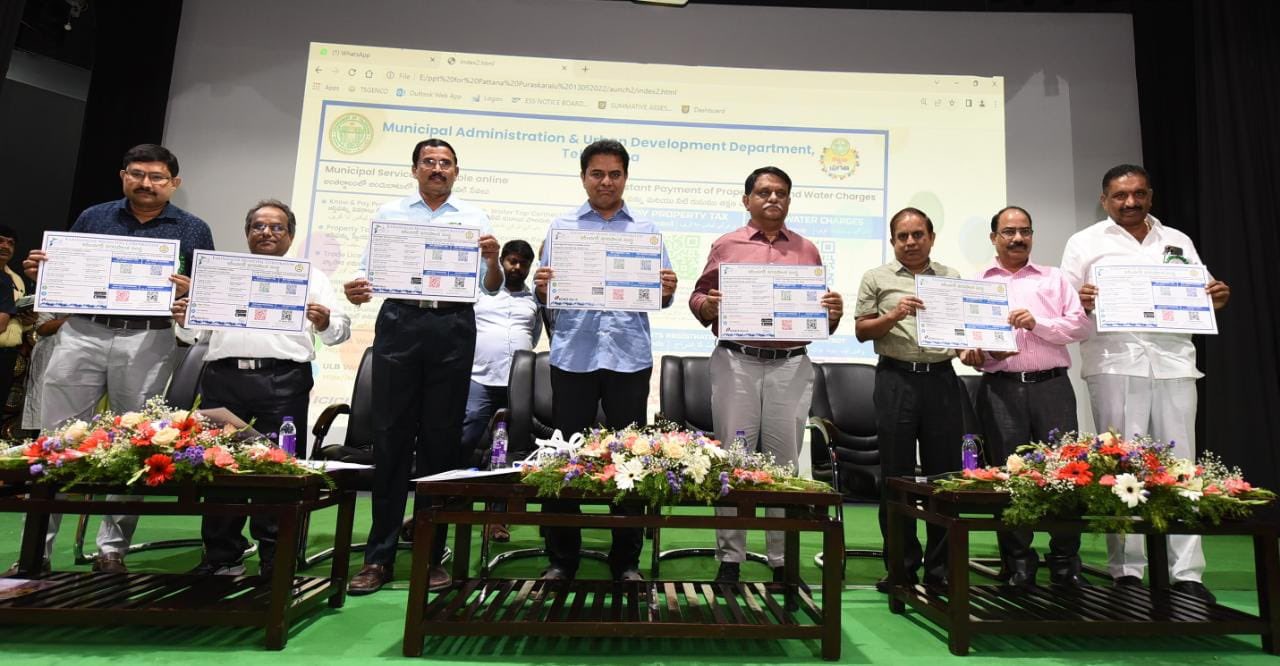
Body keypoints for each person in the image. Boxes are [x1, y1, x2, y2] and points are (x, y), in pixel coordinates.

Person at [23, 143, 214, 574]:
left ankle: (112, 549)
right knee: (58, 440)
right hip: (83, 332)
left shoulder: (193, 229)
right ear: (123, 176)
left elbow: (207, 293)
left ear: (174, 183)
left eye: (157, 177)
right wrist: (44, 274)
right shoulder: (94, 217)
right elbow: (66, 272)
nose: (146, 183)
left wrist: (192, 291)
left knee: (139, 441)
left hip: (149, 338)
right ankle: (37, 550)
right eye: (137, 174)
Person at [1061, 164, 1230, 603]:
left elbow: (1201, 291)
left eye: (1138, 193)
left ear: (1150, 196)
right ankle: (1127, 571)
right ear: (1104, 200)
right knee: (1121, 468)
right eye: (1120, 195)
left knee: (1182, 467)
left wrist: (1214, 298)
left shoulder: (1177, 240)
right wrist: (1081, 301)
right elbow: (1065, 306)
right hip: (1115, 362)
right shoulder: (1084, 243)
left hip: (1174, 362)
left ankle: (1187, 572)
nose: (1130, 202)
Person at [343, 138, 502, 595]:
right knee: (391, 438)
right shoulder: (390, 213)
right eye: (429, 162)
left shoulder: (474, 218)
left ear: (456, 172)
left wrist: (492, 259)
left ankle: (432, 556)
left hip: (453, 324)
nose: (437, 168)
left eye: (445, 163)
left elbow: (492, 287)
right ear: (414, 170)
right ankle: (378, 557)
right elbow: (366, 277)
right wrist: (357, 290)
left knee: (442, 441)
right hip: (400, 320)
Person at [173, 199, 350, 576]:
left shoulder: (313, 277)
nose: (267, 233)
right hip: (223, 378)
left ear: (291, 235)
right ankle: (222, 555)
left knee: (277, 472)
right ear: (247, 232)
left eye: (276, 227)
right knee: (220, 468)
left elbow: (338, 333)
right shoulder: (221, 274)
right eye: (258, 226)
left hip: (283, 380)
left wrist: (324, 322)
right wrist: (185, 318)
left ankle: (275, 557)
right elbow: (192, 335)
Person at [532, 139, 678, 583]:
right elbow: (547, 295)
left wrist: (666, 290)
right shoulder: (561, 229)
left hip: (628, 357)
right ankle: (562, 559)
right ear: (583, 177)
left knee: (631, 459)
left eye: (615, 174)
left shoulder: (646, 231)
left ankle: (626, 560)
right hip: (573, 355)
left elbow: (661, 298)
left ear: (625, 177)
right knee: (566, 458)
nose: (606, 182)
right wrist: (542, 288)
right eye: (597, 173)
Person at [688, 166, 842, 582]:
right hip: (737, 360)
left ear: (788, 200)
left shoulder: (807, 250)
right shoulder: (727, 245)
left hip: (790, 363)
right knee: (734, 460)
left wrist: (832, 314)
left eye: (781, 193)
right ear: (747, 200)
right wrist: (707, 306)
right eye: (764, 192)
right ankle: (730, 559)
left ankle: (781, 560)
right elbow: (698, 295)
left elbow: (818, 315)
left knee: (783, 465)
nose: (773, 198)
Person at [959, 206, 1091, 587]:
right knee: (1008, 477)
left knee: (1066, 473)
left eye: (1025, 231)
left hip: (1052, 387)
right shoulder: (976, 283)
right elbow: (966, 339)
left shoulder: (1054, 278)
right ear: (993, 238)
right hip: (1001, 389)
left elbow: (1079, 326)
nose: (1018, 238)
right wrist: (970, 352)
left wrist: (1038, 323)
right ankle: (1017, 562)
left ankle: (1065, 560)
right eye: (1009, 232)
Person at [853, 207, 965, 593]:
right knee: (896, 477)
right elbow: (862, 331)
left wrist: (971, 347)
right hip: (895, 379)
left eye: (918, 234)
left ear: (931, 238)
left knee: (944, 478)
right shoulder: (876, 278)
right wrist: (894, 315)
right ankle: (901, 567)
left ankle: (941, 570)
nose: (911, 242)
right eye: (902, 236)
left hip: (942, 379)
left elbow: (962, 328)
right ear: (892, 241)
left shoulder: (951, 278)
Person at [460, 239, 541, 543]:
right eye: (512, 261)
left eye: (523, 263)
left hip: (515, 387)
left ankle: (496, 517)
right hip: (479, 379)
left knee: (502, 449)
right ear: (502, 261)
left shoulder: (533, 300)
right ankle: (449, 502)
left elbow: (533, 337)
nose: (516, 267)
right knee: (463, 439)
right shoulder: (481, 294)